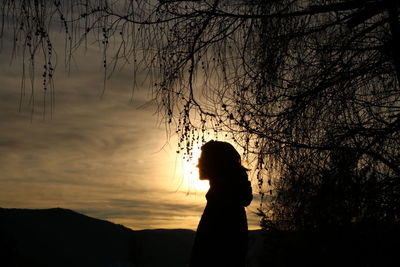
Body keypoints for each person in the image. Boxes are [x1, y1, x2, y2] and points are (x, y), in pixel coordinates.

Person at [189, 140, 253, 267]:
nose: (198, 165)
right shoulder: (224, 198)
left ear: (216, 163)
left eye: (203, 159)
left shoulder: (224, 204)